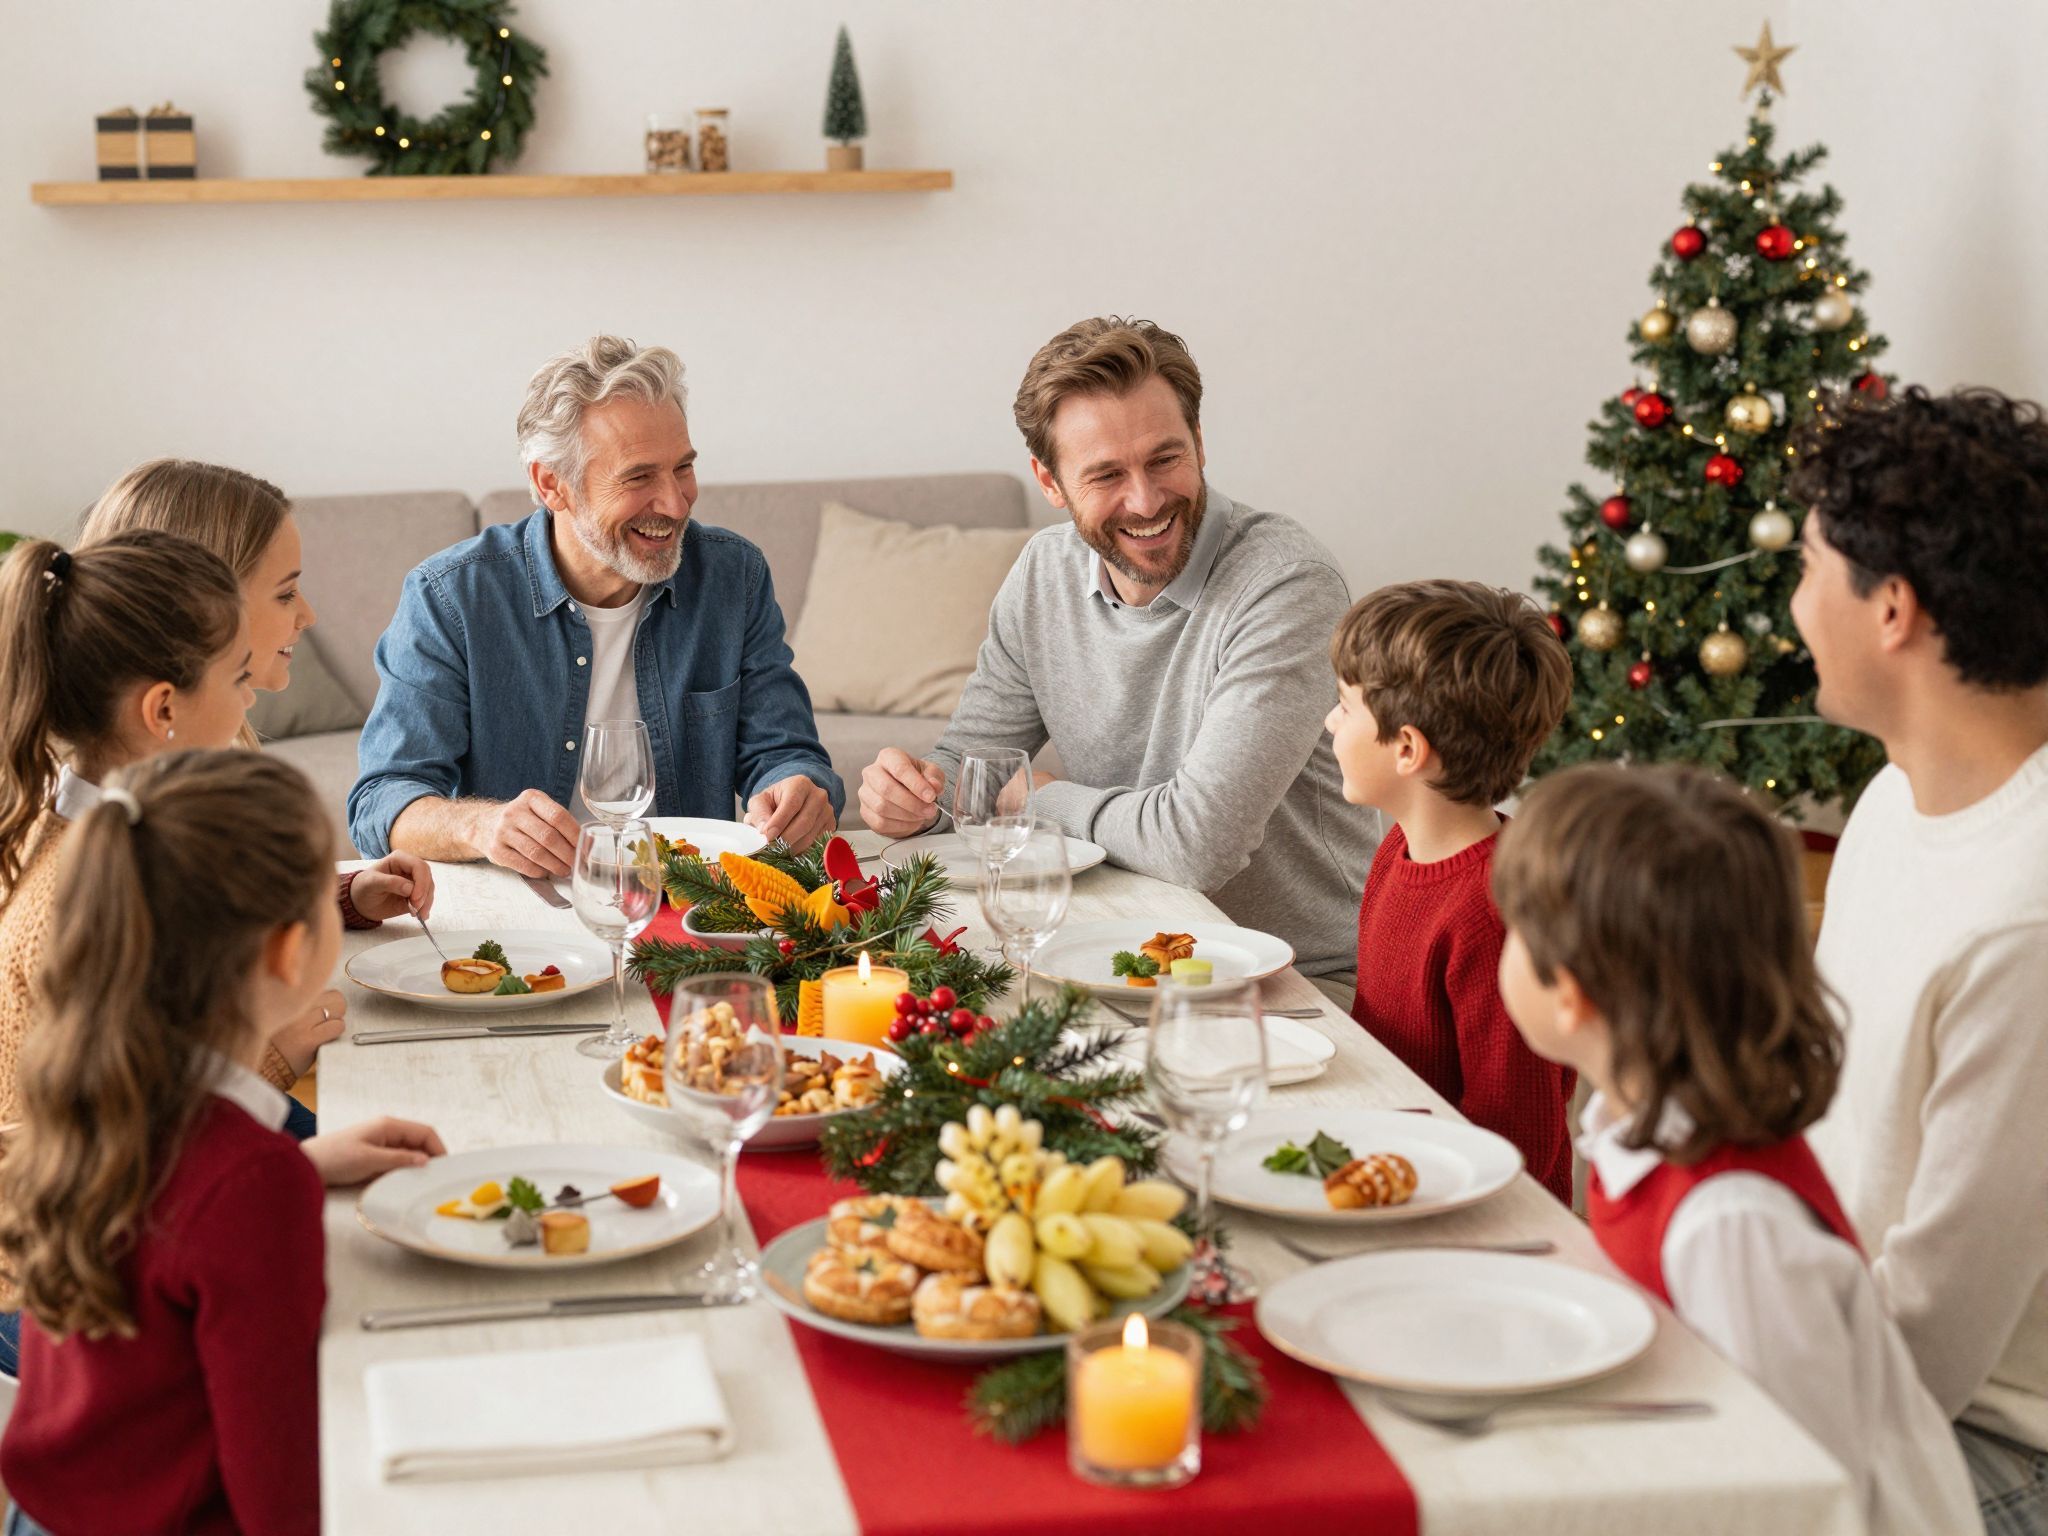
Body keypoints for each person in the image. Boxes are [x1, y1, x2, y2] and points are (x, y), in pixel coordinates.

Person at [1493, 763, 1979, 1536]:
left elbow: (1801, 1491)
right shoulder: (1642, 1137)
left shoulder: (1731, 1225)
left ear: (1572, 990)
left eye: (1515, 929)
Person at [0, 751, 445, 1534]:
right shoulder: (250, 1190)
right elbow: (283, 1500)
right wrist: (274, 1181)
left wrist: (301, 1165)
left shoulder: (97, 1099)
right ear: (288, 952)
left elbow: (172, 1235)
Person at [858, 317, 1375, 980]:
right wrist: (913, 796)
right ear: (1050, 482)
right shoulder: (1043, 573)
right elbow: (974, 773)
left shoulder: (1285, 584)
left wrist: (1040, 799)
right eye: (1106, 474)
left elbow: (1196, 846)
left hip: (1294, 978)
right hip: (1118, 953)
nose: (1146, 500)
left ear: (1200, 443)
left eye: (1165, 459)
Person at [1786, 385, 2048, 1528]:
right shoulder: (1895, 799)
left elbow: (1927, 1351)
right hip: (1842, 1363)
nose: (1791, 606)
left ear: (1890, 607)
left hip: (1976, 1449)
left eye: (1805, 567)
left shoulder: (2023, 921)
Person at [348, 336, 842, 874]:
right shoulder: (450, 598)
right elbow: (383, 800)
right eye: (638, 477)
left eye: (682, 468)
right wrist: (481, 826)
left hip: (691, 899)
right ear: (552, 484)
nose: (676, 503)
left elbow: (784, 753)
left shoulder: (733, 575)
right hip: (525, 904)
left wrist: (795, 789)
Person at [80, 456, 439, 1051]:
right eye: (286, 592)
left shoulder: (191, 757)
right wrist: (270, 1059)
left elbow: (207, 908)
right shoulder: (101, 847)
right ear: (200, 605)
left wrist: (345, 895)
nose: (308, 615)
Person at [1324, 580, 1576, 1200]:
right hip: (1386, 1159)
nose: (1329, 720)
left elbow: (1519, 1142)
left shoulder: (1495, 917)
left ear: (1408, 748)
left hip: (1467, 1210)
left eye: (1346, 706)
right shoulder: (1398, 847)